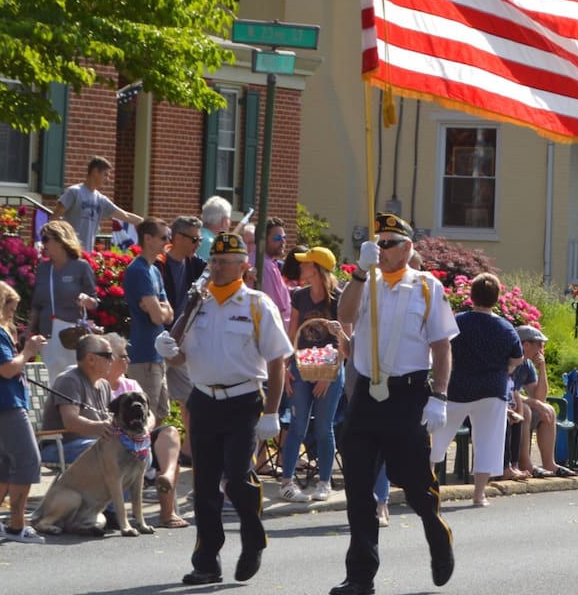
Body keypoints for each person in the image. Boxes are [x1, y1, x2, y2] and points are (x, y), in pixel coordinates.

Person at [154, 231, 293, 586]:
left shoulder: (257, 304)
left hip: (244, 400)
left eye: (224, 262)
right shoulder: (196, 303)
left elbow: (277, 361)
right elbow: (183, 355)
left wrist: (272, 412)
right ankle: (206, 560)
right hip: (203, 400)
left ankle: (252, 538)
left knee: (237, 477)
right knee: (204, 485)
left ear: (243, 266)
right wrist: (169, 350)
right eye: (213, 261)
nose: (216, 267)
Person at [330, 213, 458, 595]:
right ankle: (360, 576)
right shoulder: (365, 282)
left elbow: (442, 344)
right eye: (378, 243)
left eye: (388, 243)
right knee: (357, 486)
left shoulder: (425, 286)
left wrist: (439, 396)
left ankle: (437, 533)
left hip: (408, 394)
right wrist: (358, 271)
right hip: (368, 395)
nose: (381, 249)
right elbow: (345, 316)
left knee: (414, 483)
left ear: (406, 248)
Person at [429, 272, 522, 506]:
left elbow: (438, 347)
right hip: (492, 389)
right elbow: (516, 358)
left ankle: (426, 488)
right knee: (487, 441)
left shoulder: (457, 321)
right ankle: (479, 494)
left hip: (456, 386)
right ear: (497, 297)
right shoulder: (506, 328)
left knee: (437, 438)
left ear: (471, 296)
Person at [279, 246, 348, 503]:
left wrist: (328, 375)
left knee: (323, 427)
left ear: (317, 269)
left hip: (329, 369)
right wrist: (286, 367)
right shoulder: (299, 296)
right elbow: (293, 333)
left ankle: (324, 481)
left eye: (306, 263)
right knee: (297, 424)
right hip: (301, 367)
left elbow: (345, 342)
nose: (302, 267)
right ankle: (287, 481)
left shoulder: (339, 299)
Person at [104, 332, 188, 528]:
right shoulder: (97, 385)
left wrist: (146, 429)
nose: (129, 360)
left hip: (140, 437)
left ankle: (166, 487)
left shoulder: (131, 384)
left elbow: (149, 413)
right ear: (110, 359)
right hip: (117, 441)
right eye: (124, 356)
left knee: (169, 432)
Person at [0, 281, 48, 543]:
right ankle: (17, 524)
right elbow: (6, 368)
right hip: (6, 404)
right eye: (11, 309)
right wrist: (28, 351)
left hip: (1, 405)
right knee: (27, 460)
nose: (13, 315)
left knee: (6, 462)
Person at [156, 216, 206, 461]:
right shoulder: (158, 264)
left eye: (200, 238)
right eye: (194, 238)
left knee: (190, 398)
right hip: (158, 340)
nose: (199, 243)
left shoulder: (196, 265)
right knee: (155, 401)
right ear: (177, 238)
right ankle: (154, 455)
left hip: (182, 340)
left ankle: (189, 451)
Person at [29, 220, 99, 380]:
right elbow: (36, 305)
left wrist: (87, 299)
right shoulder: (43, 269)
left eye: (46, 239)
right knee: (52, 381)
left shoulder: (81, 266)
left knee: (73, 379)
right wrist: (28, 331)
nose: (43, 244)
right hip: (48, 334)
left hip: (71, 335)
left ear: (60, 240)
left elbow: (95, 302)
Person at [124, 218, 175, 425]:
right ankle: (144, 457)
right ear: (148, 238)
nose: (167, 241)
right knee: (146, 416)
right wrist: (158, 309)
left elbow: (169, 314)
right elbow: (156, 317)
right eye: (163, 237)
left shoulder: (154, 270)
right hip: (143, 355)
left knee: (161, 412)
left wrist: (158, 307)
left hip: (157, 356)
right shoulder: (138, 271)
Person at [38, 333, 115, 468]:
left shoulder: (104, 384)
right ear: (91, 358)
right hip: (60, 447)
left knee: (134, 448)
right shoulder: (69, 380)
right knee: (110, 451)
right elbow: (71, 421)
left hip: (92, 443)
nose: (113, 360)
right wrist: (100, 427)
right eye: (108, 355)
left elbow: (114, 416)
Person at [513, 325, 576, 477]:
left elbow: (539, 397)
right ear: (526, 345)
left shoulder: (527, 364)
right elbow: (507, 391)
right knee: (526, 409)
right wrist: (532, 402)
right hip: (505, 406)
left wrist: (542, 369)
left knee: (549, 410)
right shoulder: (510, 360)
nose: (542, 349)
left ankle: (549, 463)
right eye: (539, 345)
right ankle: (525, 463)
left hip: (518, 404)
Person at [51, 155, 142, 252]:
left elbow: (125, 216)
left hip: (87, 253)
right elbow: (54, 219)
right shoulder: (74, 192)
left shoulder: (101, 200)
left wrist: (147, 222)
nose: (108, 179)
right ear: (95, 172)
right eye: (105, 174)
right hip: (68, 252)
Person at [256, 217, 291, 328]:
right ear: (263, 240)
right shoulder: (266, 267)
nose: (283, 242)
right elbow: (275, 309)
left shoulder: (270, 262)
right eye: (277, 238)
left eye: (284, 237)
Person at [197, 196, 234, 261]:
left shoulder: (194, 237)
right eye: (229, 219)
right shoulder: (214, 245)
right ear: (224, 222)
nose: (230, 223)